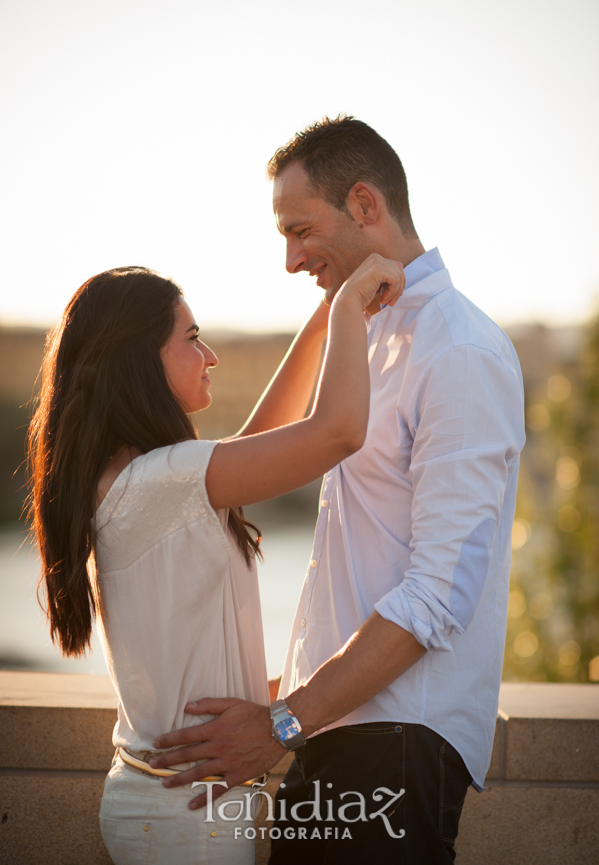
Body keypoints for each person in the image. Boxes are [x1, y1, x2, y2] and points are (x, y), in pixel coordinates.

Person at [152, 116, 526, 864]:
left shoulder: (460, 351)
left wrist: (283, 721)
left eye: (299, 231)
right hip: (337, 731)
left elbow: (439, 592)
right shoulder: (367, 335)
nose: (290, 260)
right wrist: (287, 705)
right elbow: (241, 472)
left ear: (363, 204)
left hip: (394, 745)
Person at [26, 257, 405, 865]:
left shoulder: (133, 479)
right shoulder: (159, 480)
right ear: (140, 358)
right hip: (182, 815)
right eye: (192, 338)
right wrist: (352, 306)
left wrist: (322, 319)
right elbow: (337, 432)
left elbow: (258, 441)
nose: (211, 357)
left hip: (166, 804)